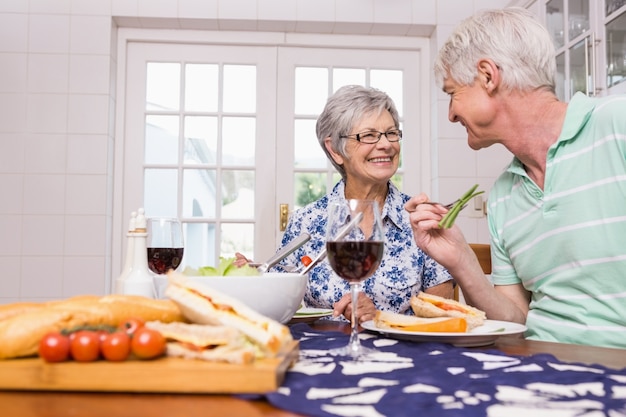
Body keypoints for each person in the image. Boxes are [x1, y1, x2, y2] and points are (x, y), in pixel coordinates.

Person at [405, 7, 626, 348]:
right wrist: (461, 260)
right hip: (536, 368)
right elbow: (515, 322)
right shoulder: (504, 195)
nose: (450, 114)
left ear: (488, 76)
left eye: (452, 93)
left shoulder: (617, 126)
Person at [238, 85, 453, 323]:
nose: (386, 144)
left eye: (391, 133)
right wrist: (249, 281)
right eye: (369, 135)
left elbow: (443, 320)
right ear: (335, 150)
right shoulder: (307, 222)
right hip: (323, 354)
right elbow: (276, 307)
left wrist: (379, 318)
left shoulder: (422, 220)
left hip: (404, 357)